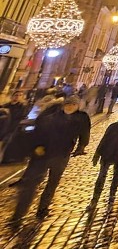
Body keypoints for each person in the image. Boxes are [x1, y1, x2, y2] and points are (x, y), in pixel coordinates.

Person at [11, 95, 90, 223]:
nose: (69, 107)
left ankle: (43, 209)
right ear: (63, 105)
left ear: (77, 106)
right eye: (67, 104)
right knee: (32, 182)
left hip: (61, 155)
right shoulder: (52, 117)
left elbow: (85, 133)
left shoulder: (82, 118)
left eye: (73, 105)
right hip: (43, 154)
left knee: (52, 182)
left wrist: (81, 147)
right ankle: (19, 213)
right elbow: (39, 131)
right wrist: (37, 147)